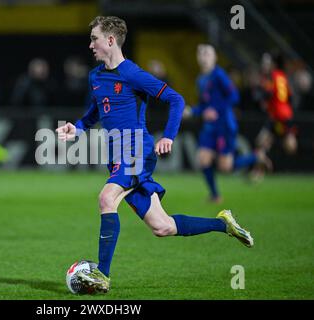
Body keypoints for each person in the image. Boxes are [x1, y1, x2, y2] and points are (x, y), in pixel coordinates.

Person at [56, 17, 254, 293]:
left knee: (106, 198)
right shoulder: (95, 76)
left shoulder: (133, 74)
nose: (91, 45)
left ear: (110, 41)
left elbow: (176, 99)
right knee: (163, 227)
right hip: (117, 157)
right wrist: (75, 128)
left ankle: (102, 274)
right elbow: (95, 112)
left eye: (94, 39)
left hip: (137, 151)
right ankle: (223, 224)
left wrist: (169, 136)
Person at [184, 44, 271, 202]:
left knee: (226, 167)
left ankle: (256, 156)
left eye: (207, 54)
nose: (204, 57)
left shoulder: (219, 75)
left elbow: (234, 96)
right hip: (210, 127)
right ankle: (215, 195)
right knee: (203, 158)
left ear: (214, 57)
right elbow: (205, 105)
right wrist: (193, 111)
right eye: (201, 54)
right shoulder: (200, 79)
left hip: (225, 125)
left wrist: (215, 110)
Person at [256, 52, 297, 155]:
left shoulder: (271, 77)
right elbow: (290, 96)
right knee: (286, 144)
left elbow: (267, 93)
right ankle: (261, 166)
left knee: (261, 141)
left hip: (276, 115)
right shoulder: (282, 76)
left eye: (267, 63)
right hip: (286, 114)